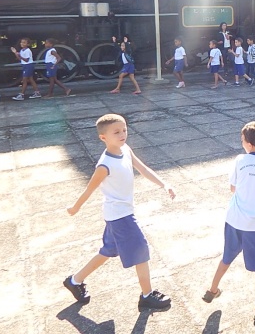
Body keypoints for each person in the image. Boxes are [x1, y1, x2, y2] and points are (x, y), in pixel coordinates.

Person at [63, 114, 175, 310]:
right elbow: (89, 189)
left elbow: (143, 169)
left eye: (124, 130)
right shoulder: (104, 165)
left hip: (119, 213)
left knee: (109, 250)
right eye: (116, 132)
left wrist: (164, 184)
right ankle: (147, 295)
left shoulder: (126, 150)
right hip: (119, 216)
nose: (122, 134)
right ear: (103, 137)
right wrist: (75, 207)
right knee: (140, 250)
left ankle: (74, 280)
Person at [203, 121, 255, 326]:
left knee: (227, 256)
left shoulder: (239, 160)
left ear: (249, 144)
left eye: (242, 140)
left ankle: (212, 289)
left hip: (234, 219)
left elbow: (233, 188)